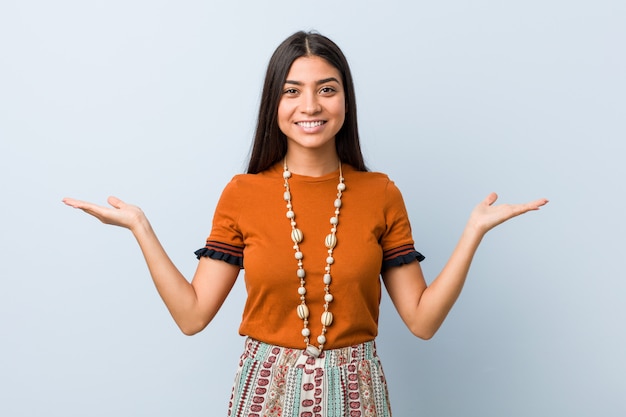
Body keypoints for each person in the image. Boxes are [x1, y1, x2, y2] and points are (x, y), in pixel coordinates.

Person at [63, 31, 548, 416]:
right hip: (263, 399)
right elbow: (192, 316)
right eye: (293, 91)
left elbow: (421, 321)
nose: (311, 106)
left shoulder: (380, 193)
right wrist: (141, 228)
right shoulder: (243, 193)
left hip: (358, 400)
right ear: (274, 105)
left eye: (327, 90)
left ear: (345, 101)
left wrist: (472, 234)